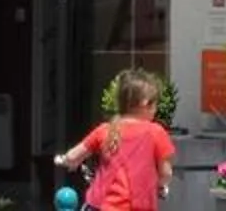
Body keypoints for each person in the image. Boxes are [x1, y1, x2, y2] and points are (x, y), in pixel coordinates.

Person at [60, 71, 176, 211]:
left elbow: (72, 156)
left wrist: (64, 160)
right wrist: (160, 186)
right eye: (155, 104)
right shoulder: (155, 132)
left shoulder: (104, 130)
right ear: (145, 103)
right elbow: (166, 173)